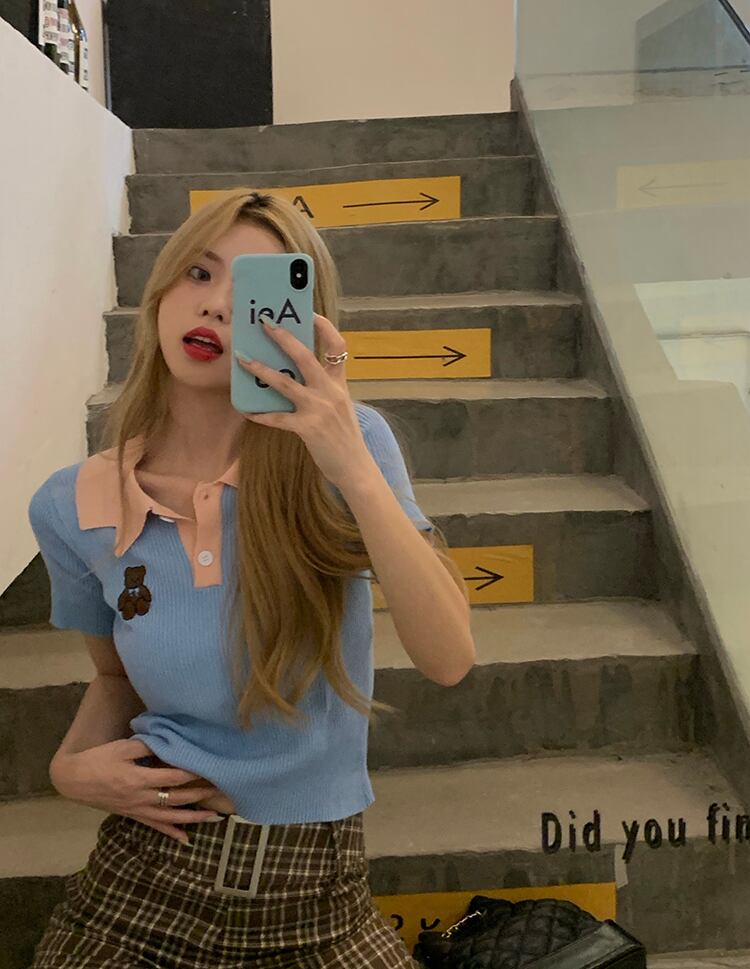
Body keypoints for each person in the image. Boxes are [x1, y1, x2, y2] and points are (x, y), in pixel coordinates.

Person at [26, 189, 475, 967]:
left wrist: (351, 464)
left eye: (256, 291)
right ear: (161, 291)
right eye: (199, 273)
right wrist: (69, 769)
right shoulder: (73, 503)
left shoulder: (345, 451)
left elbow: (448, 656)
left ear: (297, 320)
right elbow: (115, 676)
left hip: (317, 898)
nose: (218, 305)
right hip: (142, 887)